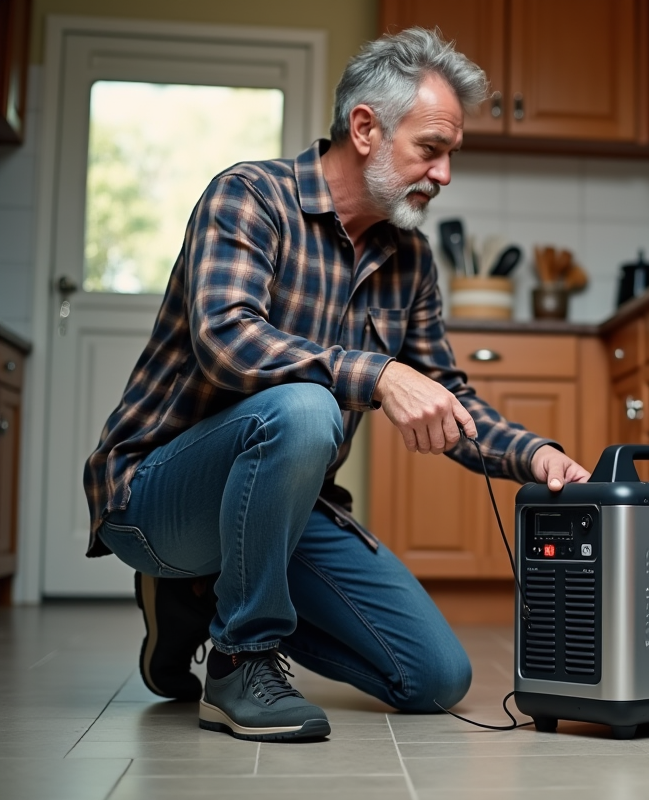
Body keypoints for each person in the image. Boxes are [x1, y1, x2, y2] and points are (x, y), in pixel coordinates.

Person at [83, 28, 590, 743]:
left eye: (451, 155)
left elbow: (448, 393)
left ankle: (204, 597)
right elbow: (227, 341)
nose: (444, 174)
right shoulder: (250, 196)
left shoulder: (408, 259)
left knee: (435, 679)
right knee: (304, 406)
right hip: (154, 495)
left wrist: (535, 456)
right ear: (364, 129)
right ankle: (239, 659)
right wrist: (379, 372)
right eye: (431, 149)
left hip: (286, 504)